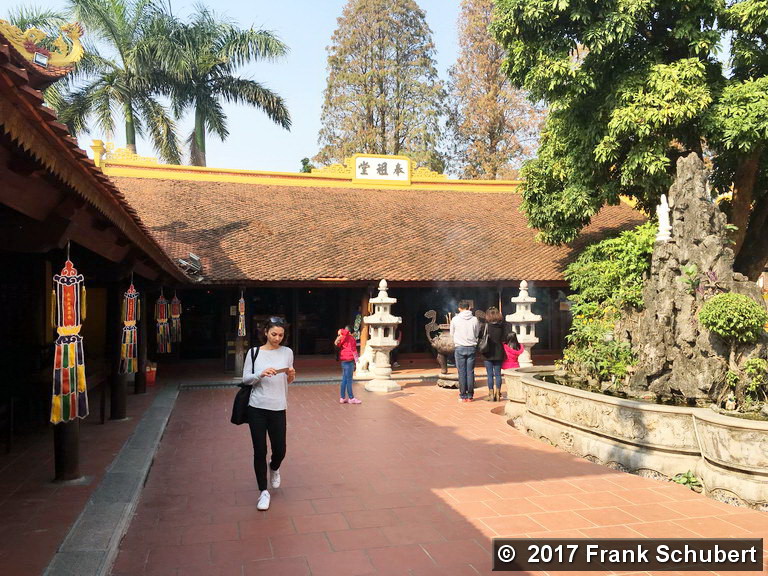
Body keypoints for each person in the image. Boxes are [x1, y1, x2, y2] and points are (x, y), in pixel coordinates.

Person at [242, 317, 296, 511]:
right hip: (257, 407)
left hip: (279, 407)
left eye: (281, 335)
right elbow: (246, 379)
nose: (277, 338)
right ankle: (263, 492)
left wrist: (290, 376)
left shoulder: (287, 352)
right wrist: (261, 374)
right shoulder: (254, 353)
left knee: (280, 448)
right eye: (274, 334)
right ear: (265, 332)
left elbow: (287, 382)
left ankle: (274, 467)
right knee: (259, 449)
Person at [450, 300, 479, 402]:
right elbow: (477, 333)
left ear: (459, 308)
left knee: (461, 372)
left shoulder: (455, 319)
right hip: (471, 347)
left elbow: (451, 334)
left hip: (460, 347)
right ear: (469, 308)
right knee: (470, 372)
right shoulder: (475, 319)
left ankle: (463, 395)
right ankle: (470, 395)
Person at [482, 307, 506, 401]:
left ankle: (491, 394)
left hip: (487, 352)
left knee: (490, 374)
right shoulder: (502, 326)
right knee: (498, 374)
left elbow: (481, 337)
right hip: (499, 352)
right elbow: (505, 338)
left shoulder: (485, 326)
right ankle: (497, 394)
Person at [334, 326, 362, 404]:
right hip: (349, 361)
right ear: (350, 332)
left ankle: (342, 398)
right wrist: (356, 360)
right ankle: (351, 398)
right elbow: (354, 350)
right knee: (349, 380)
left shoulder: (341, 338)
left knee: (344, 379)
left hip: (343, 360)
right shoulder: (350, 338)